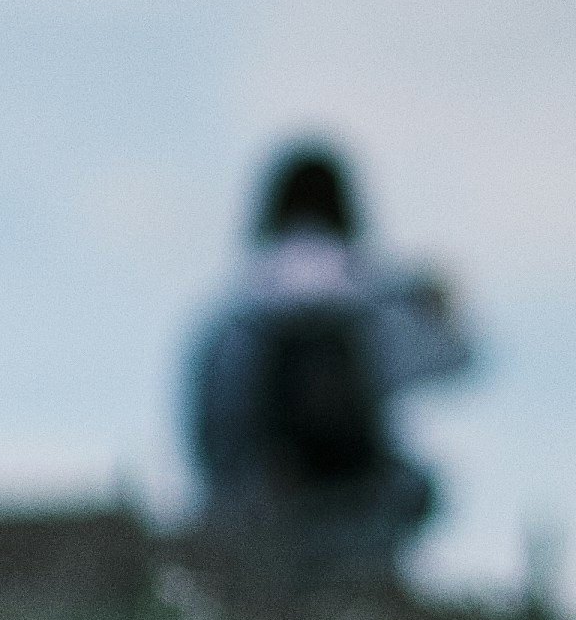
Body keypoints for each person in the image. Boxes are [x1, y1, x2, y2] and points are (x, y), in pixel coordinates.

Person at [187, 140, 474, 561]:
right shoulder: (372, 289)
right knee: (420, 489)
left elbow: (207, 413)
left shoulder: (235, 304)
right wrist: (437, 306)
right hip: (355, 502)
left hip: (250, 499)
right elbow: (458, 361)